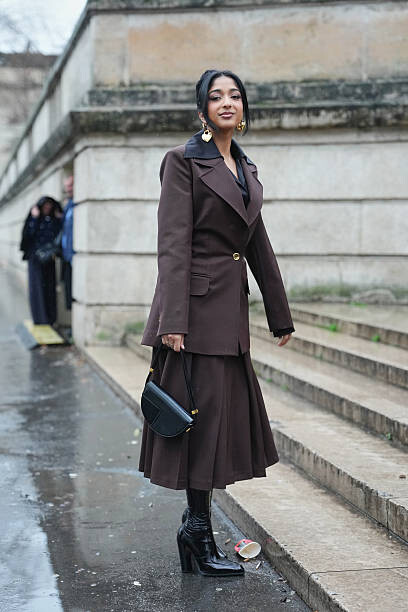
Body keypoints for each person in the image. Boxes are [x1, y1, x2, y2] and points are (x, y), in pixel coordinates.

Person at [139, 69, 295, 577]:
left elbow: (257, 243)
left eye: (234, 95)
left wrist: (279, 314)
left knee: (216, 425)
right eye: (215, 96)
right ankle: (198, 532)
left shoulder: (245, 167)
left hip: (230, 318)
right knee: (199, 426)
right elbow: (173, 244)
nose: (227, 102)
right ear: (202, 109)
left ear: (243, 107)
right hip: (194, 315)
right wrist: (173, 320)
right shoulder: (182, 161)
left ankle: (195, 531)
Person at [20, 196, 62, 325]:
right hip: (35, 259)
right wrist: (34, 218)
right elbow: (28, 235)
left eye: (49, 205)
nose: (47, 208)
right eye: (45, 205)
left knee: (49, 289)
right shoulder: (34, 219)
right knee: (37, 289)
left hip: (49, 259)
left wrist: (60, 219)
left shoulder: (53, 220)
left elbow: (58, 235)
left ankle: (50, 318)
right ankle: (40, 319)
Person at [61, 175, 76, 310]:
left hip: (75, 256)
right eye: (67, 187)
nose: (68, 189)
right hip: (66, 256)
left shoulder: (77, 204)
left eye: (71, 185)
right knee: (68, 293)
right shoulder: (68, 206)